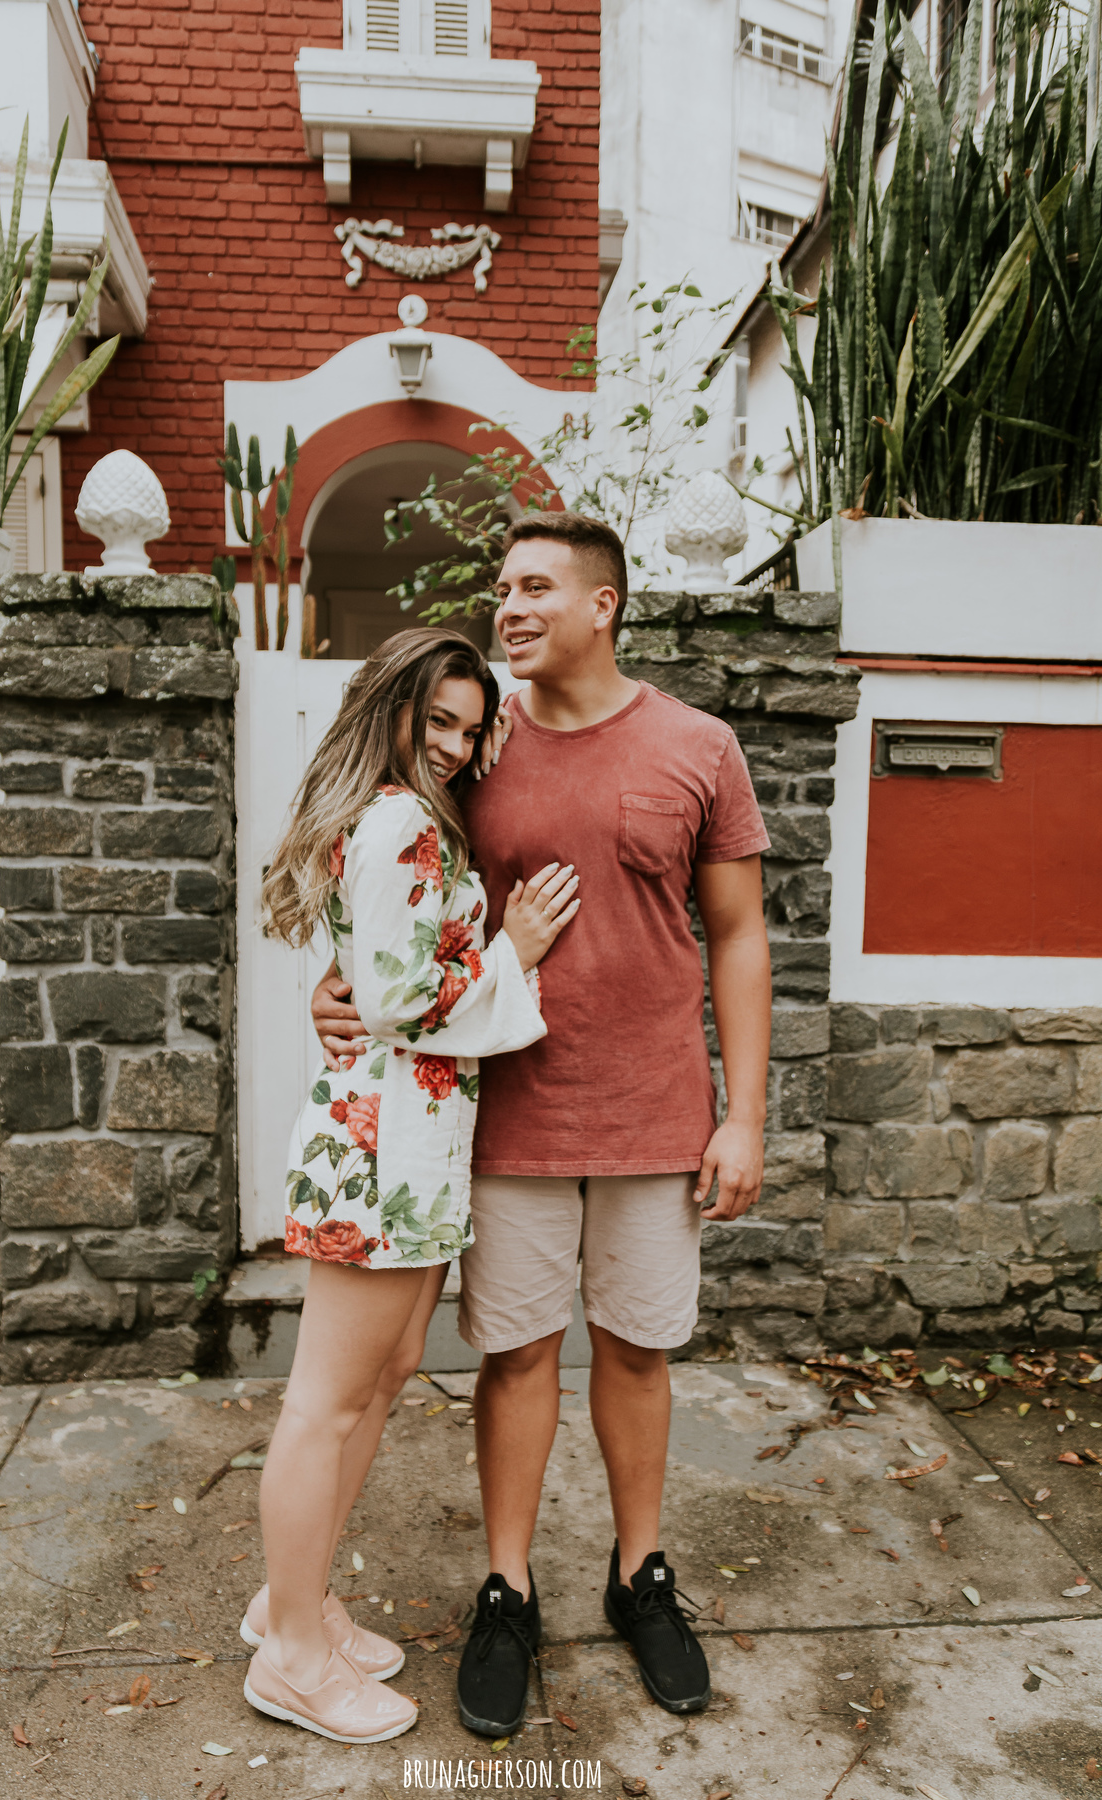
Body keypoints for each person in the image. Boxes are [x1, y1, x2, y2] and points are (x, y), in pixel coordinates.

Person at [313, 512, 772, 1737]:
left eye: (532, 587)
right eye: (501, 586)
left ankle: (639, 1577)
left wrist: (746, 1114)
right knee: (515, 1356)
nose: (507, 606)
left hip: (657, 1110)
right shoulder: (476, 749)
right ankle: (507, 1589)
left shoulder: (699, 744)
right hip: (505, 1114)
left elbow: (738, 932)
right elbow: (383, 878)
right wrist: (340, 977)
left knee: (636, 1348)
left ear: (603, 604)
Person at [245, 627, 580, 1745]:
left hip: (411, 1141)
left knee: (378, 1383)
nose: (452, 745)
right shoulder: (399, 824)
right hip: (382, 1143)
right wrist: (515, 954)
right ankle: (290, 1652)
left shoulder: (409, 816)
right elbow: (402, 1004)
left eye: (470, 729)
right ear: (389, 705)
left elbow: (380, 985)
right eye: (435, 719)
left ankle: (297, 1602)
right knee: (326, 1403)